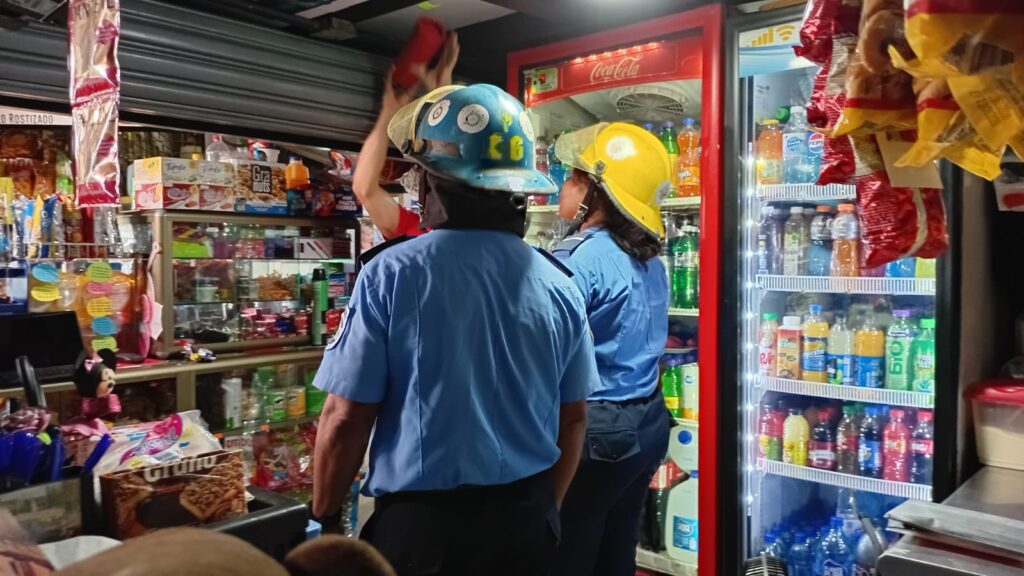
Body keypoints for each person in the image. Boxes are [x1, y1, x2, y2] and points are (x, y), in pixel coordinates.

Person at [311, 81, 598, 576]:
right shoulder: (559, 285)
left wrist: (324, 518)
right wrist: (541, 513)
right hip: (527, 527)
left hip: (425, 536)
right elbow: (573, 420)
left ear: (433, 181)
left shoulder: (391, 274)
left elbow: (345, 418)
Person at [550, 122, 674, 576]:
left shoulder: (578, 258)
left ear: (596, 193)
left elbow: (547, 353)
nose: (563, 186)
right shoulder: (650, 260)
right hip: (648, 422)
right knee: (616, 549)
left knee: (568, 552)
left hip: (597, 431)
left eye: (573, 177)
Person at [351, 33, 460, 239]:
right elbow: (364, 190)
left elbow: (365, 190)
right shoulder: (424, 234)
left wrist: (389, 113)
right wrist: (440, 91)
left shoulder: (420, 235)